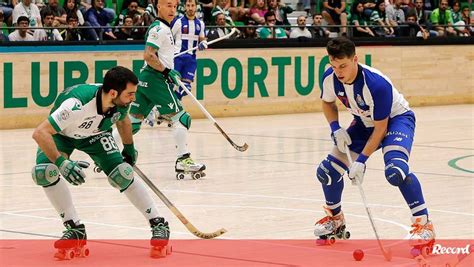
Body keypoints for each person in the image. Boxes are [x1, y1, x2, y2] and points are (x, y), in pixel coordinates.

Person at [31, 66, 170, 255]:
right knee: (44, 173)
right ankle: (74, 228)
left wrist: (129, 149)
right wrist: (61, 162)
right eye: (130, 94)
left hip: (96, 135)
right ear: (113, 92)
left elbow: (123, 120)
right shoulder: (76, 104)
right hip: (62, 136)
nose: (134, 98)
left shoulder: (120, 101)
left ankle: (158, 222)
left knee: (122, 174)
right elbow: (40, 132)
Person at [313, 37, 435, 249]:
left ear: (355, 60)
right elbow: (327, 102)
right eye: (334, 66)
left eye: (343, 66)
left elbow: (381, 129)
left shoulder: (376, 84)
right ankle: (335, 220)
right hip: (363, 122)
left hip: (397, 120)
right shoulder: (329, 77)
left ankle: (424, 225)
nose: (338, 72)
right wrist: (335, 128)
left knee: (396, 171)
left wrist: (361, 161)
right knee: (327, 172)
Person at [128, 0, 206, 179]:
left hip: (148, 78)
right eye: (168, 5)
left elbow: (162, 57)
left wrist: (172, 71)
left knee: (132, 121)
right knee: (182, 117)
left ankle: (114, 155)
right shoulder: (159, 29)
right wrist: (166, 71)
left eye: (174, 6)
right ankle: (183, 159)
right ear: (159, 8)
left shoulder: (166, 28)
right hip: (156, 78)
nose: (172, 10)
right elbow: (148, 55)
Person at [172, 0, 207, 100]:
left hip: (191, 59)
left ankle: (173, 108)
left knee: (185, 88)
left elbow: (203, 40)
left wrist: (203, 44)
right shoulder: (178, 21)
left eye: (192, 5)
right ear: (184, 7)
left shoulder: (200, 24)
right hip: (177, 58)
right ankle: (161, 108)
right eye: (188, 5)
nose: (190, 8)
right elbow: (168, 37)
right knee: (170, 85)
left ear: (196, 7)